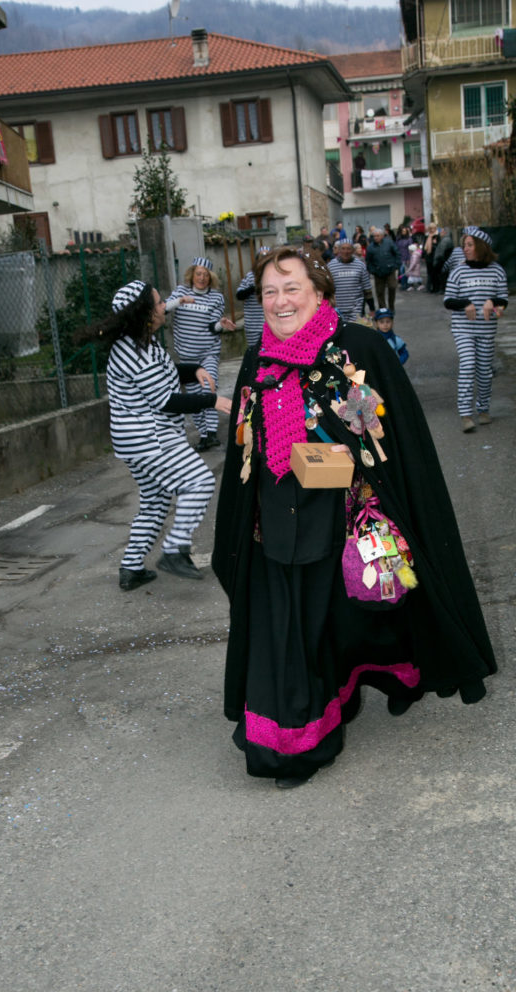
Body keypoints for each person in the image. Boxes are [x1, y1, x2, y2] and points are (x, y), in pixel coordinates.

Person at [212, 246, 496, 788]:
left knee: (360, 611)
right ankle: (293, 742)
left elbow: (399, 440)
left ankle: (399, 677)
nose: (279, 300)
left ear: (319, 291)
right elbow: (245, 442)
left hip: (343, 513)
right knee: (287, 623)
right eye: (269, 291)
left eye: (290, 287)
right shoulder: (255, 358)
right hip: (274, 516)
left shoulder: (358, 346)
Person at [82, 280, 232, 590]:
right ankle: (175, 550)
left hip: (140, 439)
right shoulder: (133, 351)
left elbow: (163, 374)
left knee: (155, 501)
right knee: (200, 481)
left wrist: (192, 370)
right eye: (159, 303)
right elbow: (165, 400)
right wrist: (212, 401)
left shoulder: (143, 342)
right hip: (149, 438)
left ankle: (131, 567)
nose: (165, 306)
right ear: (145, 313)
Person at [165, 257, 236, 452]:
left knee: (208, 389)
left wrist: (221, 325)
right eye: (198, 274)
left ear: (210, 277)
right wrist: (180, 301)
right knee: (194, 397)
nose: (202, 278)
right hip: (187, 356)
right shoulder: (181, 292)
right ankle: (203, 435)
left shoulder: (216, 298)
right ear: (192, 274)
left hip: (208, 353)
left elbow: (212, 327)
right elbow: (162, 309)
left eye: (206, 275)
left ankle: (211, 433)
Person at [444, 227, 508, 433]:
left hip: (487, 330)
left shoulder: (497, 270)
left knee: (484, 371)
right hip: (463, 329)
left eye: (470, 245)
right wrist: (465, 304)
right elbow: (448, 300)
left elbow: (503, 299)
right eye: (465, 245)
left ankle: (483, 409)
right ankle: (465, 415)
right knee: (468, 364)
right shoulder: (459, 271)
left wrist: (493, 302)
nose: (466, 249)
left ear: (481, 247)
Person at [327, 240, 374, 322]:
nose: (346, 252)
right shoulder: (331, 266)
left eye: (348, 249)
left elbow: (367, 289)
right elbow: (327, 289)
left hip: (356, 309)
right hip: (337, 309)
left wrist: (372, 309)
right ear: (339, 250)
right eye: (343, 248)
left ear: (353, 250)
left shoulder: (360, 265)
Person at [235, 246, 269, 347]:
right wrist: (253, 287)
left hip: (271, 325)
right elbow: (239, 295)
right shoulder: (250, 276)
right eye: (262, 256)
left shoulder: (275, 275)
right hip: (253, 324)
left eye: (267, 256)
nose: (264, 259)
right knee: (254, 353)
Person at [366, 228, 400, 310]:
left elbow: (397, 253)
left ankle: (391, 307)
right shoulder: (370, 247)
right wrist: (373, 270)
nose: (376, 238)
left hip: (390, 270)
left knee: (392, 287)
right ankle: (383, 308)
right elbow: (368, 261)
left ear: (382, 236)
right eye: (374, 236)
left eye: (378, 236)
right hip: (378, 272)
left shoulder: (389, 243)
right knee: (380, 292)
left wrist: (396, 265)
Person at [432, 226, 454, 292]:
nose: (440, 232)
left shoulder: (445, 240)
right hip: (444, 260)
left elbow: (441, 252)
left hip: (441, 261)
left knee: (441, 276)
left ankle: (440, 289)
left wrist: (437, 261)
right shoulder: (447, 239)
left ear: (445, 232)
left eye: (441, 231)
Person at [423, 222, 440, 293]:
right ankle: (429, 288)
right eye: (430, 228)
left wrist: (434, 244)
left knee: (435, 274)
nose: (432, 230)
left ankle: (436, 288)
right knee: (429, 273)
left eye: (433, 228)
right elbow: (424, 246)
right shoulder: (426, 236)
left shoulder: (437, 236)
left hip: (434, 257)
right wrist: (423, 256)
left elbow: (438, 247)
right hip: (428, 257)